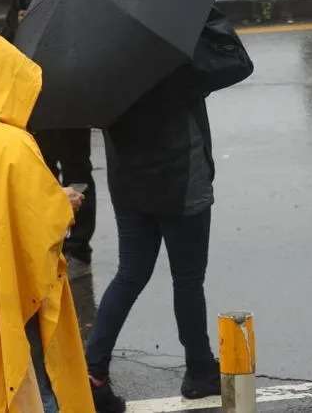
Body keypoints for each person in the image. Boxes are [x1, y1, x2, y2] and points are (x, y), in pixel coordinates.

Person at [0, 29, 94, 413]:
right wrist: (63, 202)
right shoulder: (12, 145)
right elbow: (41, 224)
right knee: (27, 373)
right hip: (6, 283)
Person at [84, 63, 224, 409]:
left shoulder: (102, 52)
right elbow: (230, 65)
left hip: (129, 181)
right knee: (188, 280)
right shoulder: (173, 44)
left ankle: (92, 370)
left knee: (129, 274)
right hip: (181, 178)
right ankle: (199, 370)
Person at [0, 0, 98, 281]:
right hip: (34, 103)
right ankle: (51, 244)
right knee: (43, 174)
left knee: (76, 173)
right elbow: (11, 40)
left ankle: (78, 248)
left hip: (65, 97)